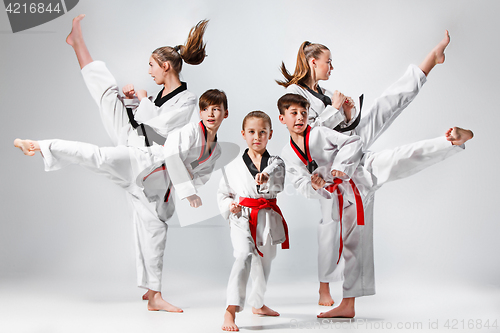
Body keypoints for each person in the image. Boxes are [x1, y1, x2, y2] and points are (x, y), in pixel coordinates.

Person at [277, 32, 452, 306]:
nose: (331, 67)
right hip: (330, 163)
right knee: (334, 232)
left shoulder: (323, 92)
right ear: (312, 62)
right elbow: (309, 136)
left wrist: (346, 113)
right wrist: (335, 110)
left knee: (384, 105)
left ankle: (429, 62)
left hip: (346, 146)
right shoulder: (295, 95)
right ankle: (329, 291)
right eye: (328, 62)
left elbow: (332, 127)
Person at [14, 89, 229, 312]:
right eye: (205, 109)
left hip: (158, 188)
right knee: (99, 157)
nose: (211, 114)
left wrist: (189, 185)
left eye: (216, 109)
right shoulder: (191, 131)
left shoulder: (216, 149)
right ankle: (39, 145)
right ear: (200, 112)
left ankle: (153, 293)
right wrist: (188, 190)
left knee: (155, 235)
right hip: (142, 162)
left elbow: (201, 175)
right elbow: (173, 157)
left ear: (226, 113)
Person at [277, 93, 473, 318]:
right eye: (293, 113)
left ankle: (451, 140)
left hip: (361, 171)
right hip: (343, 196)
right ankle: (348, 305)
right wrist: (314, 185)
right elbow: (301, 183)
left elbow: (353, 141)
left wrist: (341, 166)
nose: (300, 117)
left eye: (304, 113)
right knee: (352, 246)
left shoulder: (319, 132)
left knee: (400, 158)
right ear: (282, 119)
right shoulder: (287, 153)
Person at [65, 15, 208, 310]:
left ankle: (153, 294)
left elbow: (163, 126)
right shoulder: (161, 94)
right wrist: (132, 102)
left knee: (152, 224)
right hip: (134, 142)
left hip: (148, 162)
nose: (149, 71)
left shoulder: (188, 99)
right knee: (108, 95)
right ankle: (78, 45)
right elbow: (146, 119)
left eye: (152, 65)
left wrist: (142, 101)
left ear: (165, 66)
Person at [218, 111, 288, 332]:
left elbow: (277, 179)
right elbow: (223, 193)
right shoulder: (233, 166)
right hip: (242, 217)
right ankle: (230, 310)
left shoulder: (276, 162)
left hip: (266, 217)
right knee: (243, 255)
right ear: (243, 134)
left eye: (262, 132)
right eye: (251, 132)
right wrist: (230, 206)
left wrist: (266, 176)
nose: (257, 136)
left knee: (264, 263)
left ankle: (257, 304)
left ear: (270, 134)